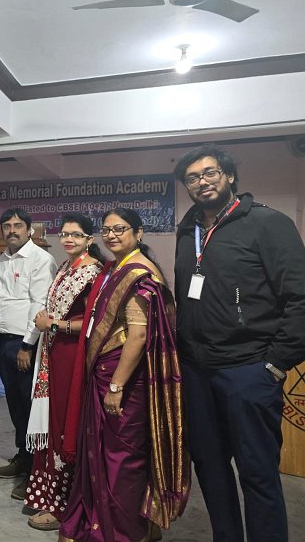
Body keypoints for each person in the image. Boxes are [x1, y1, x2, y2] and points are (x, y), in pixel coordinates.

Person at [173, 144, 305, 542]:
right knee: (210, 468)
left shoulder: (267, 223)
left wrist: (276, 363)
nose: (202, 182)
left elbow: (299, 297)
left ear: (229, 176)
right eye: (192, 178)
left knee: (257, 472)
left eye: (210, 173)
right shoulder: (188, 230)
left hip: (248, 370)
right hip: (197, 372)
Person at [60, 208, 189, 542]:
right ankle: (107, 521)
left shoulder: (139, 273)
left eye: (119, 229)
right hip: (107, 370)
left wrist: (116, 386)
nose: (112, 235)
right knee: (103, 453)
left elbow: (138, 336)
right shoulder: (117, 268)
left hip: (123, 378)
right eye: (106, 230)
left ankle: (123, 531)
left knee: (121, 457)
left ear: (138, 232)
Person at [24, 214, 104, 531]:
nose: (69, 239)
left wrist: (53, 324)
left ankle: (64, 504)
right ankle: (49, 495)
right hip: (55, 354)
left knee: (65, 425)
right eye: (65, 233)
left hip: (73, 356)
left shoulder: (93, 273)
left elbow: (94, 322)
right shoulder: (65, 267)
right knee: (53, 420)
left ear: (89, 239)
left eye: (76, 234)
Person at [0, 208, 57, 500]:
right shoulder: (2, 260)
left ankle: (36, 470)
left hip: (26, 344)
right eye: (7, 226)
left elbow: (39, 303)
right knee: (15, 405)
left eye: (18, 225)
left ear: (29, 230)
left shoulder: (40, 259)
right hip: (4, 341)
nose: (12, 230)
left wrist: (28, 345)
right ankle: (23, 456)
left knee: (31, 409)